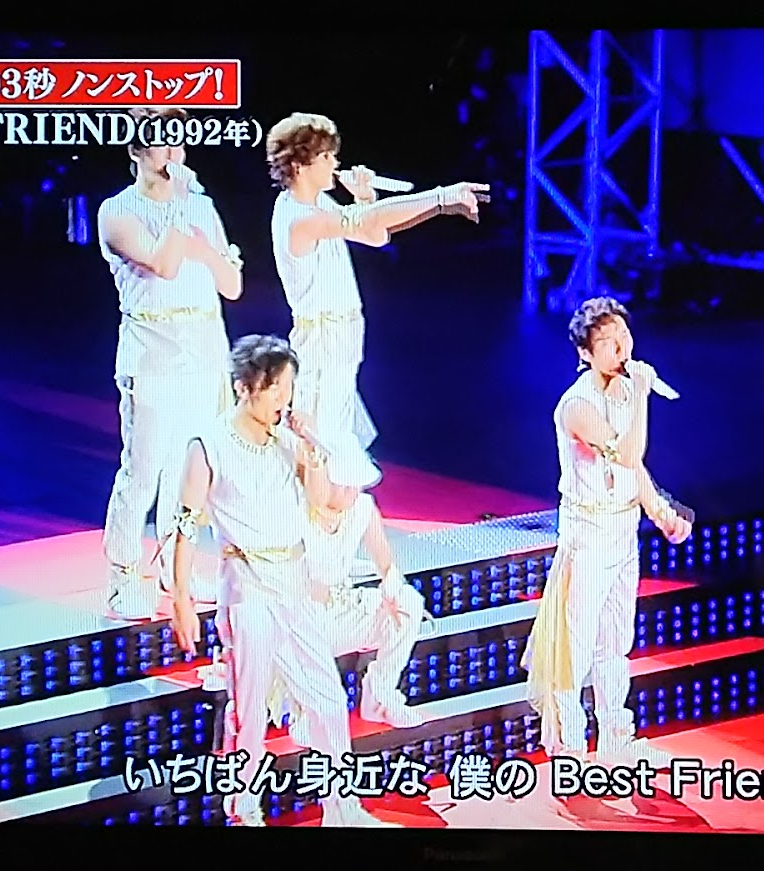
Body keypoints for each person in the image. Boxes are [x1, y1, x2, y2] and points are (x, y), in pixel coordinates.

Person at [169, 335, 391, 828]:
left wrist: (313, 452)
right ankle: (243, 809)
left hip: (294, 581)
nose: (283, 400)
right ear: (243, 387)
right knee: (249, 708)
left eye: (288, 389)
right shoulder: (208, 445)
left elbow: (321, 500)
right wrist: (181, 598)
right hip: (246, 584)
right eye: (274, 389)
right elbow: (184, 526)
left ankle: (342, 807)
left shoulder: (286, 441)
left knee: (327, 695)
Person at [523, 297, 694, 766]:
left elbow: (633, 470)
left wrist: (660, 512)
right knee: (577, 644)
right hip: (589, 532)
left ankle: (617, 735)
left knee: (616, 639)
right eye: (607, 340)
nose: (620, 347)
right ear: (585, 352)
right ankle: (569, 748)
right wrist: (641, 396)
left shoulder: (622, 392)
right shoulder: (577, 405)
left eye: (623, 335)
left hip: (622, 528)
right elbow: (626, 453)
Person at [265, 111, 489, 451]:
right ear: (299, 166)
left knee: (336, 438)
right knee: (320, 444)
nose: (335, 163)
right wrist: (440, 197)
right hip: (322, 344)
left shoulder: (317, 202)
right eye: (326, 157)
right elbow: (366, 223)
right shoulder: (297, 217)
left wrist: (364, 197)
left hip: (342, 338)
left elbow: (375, 235)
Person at [98, 106, 244, 619]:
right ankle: (123, 574)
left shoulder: (201, 207)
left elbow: (232, 285)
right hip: (153, 353)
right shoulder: (117, 211)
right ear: (137, 151)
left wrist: (209, 247)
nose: (174, 153)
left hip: (204, 348)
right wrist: (186, 215)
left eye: (179, 142)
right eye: (162, 142)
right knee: (143, 469)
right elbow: (163, 262)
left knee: (190, 470)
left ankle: (174, 566)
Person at [276, 433, 430, 745]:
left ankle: (381, 695)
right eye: (343, 484)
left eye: (355, 485)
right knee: (296, 625)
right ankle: (305, 714)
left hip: (343, 608)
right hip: (300, 618)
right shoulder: (295, 510)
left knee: (409, 603)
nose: (351, 492)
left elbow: (386, 563)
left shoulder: (362, 507)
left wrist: (391, 590)